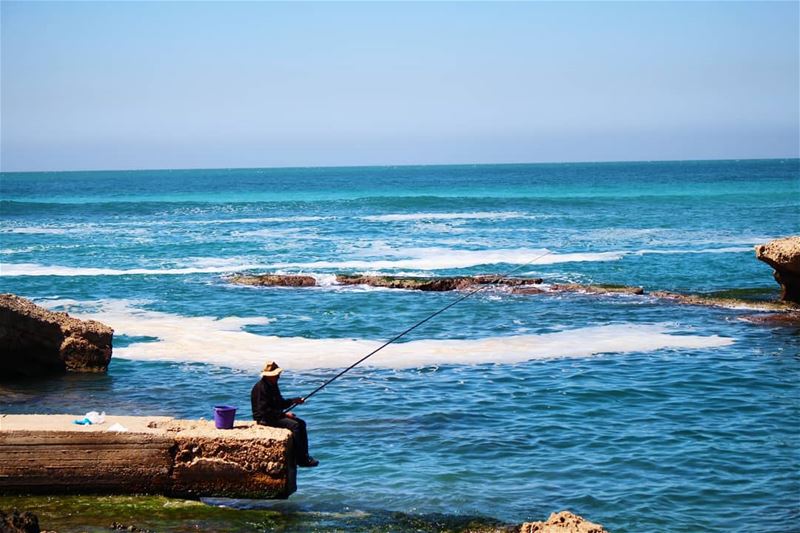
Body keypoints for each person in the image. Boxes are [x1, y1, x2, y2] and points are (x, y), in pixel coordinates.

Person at [251, 360, 319, 467]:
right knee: (295, 425)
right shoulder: (261, 388)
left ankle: (304, 456)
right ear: (269, 376)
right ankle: (301, 459)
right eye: (277, 375)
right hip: (264, 419)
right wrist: (284, 415)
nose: (278, 377)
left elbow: (280, 403)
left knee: (301, 423)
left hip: (274, 415)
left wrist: (294, 401)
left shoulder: (272, 385)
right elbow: (264, 411)